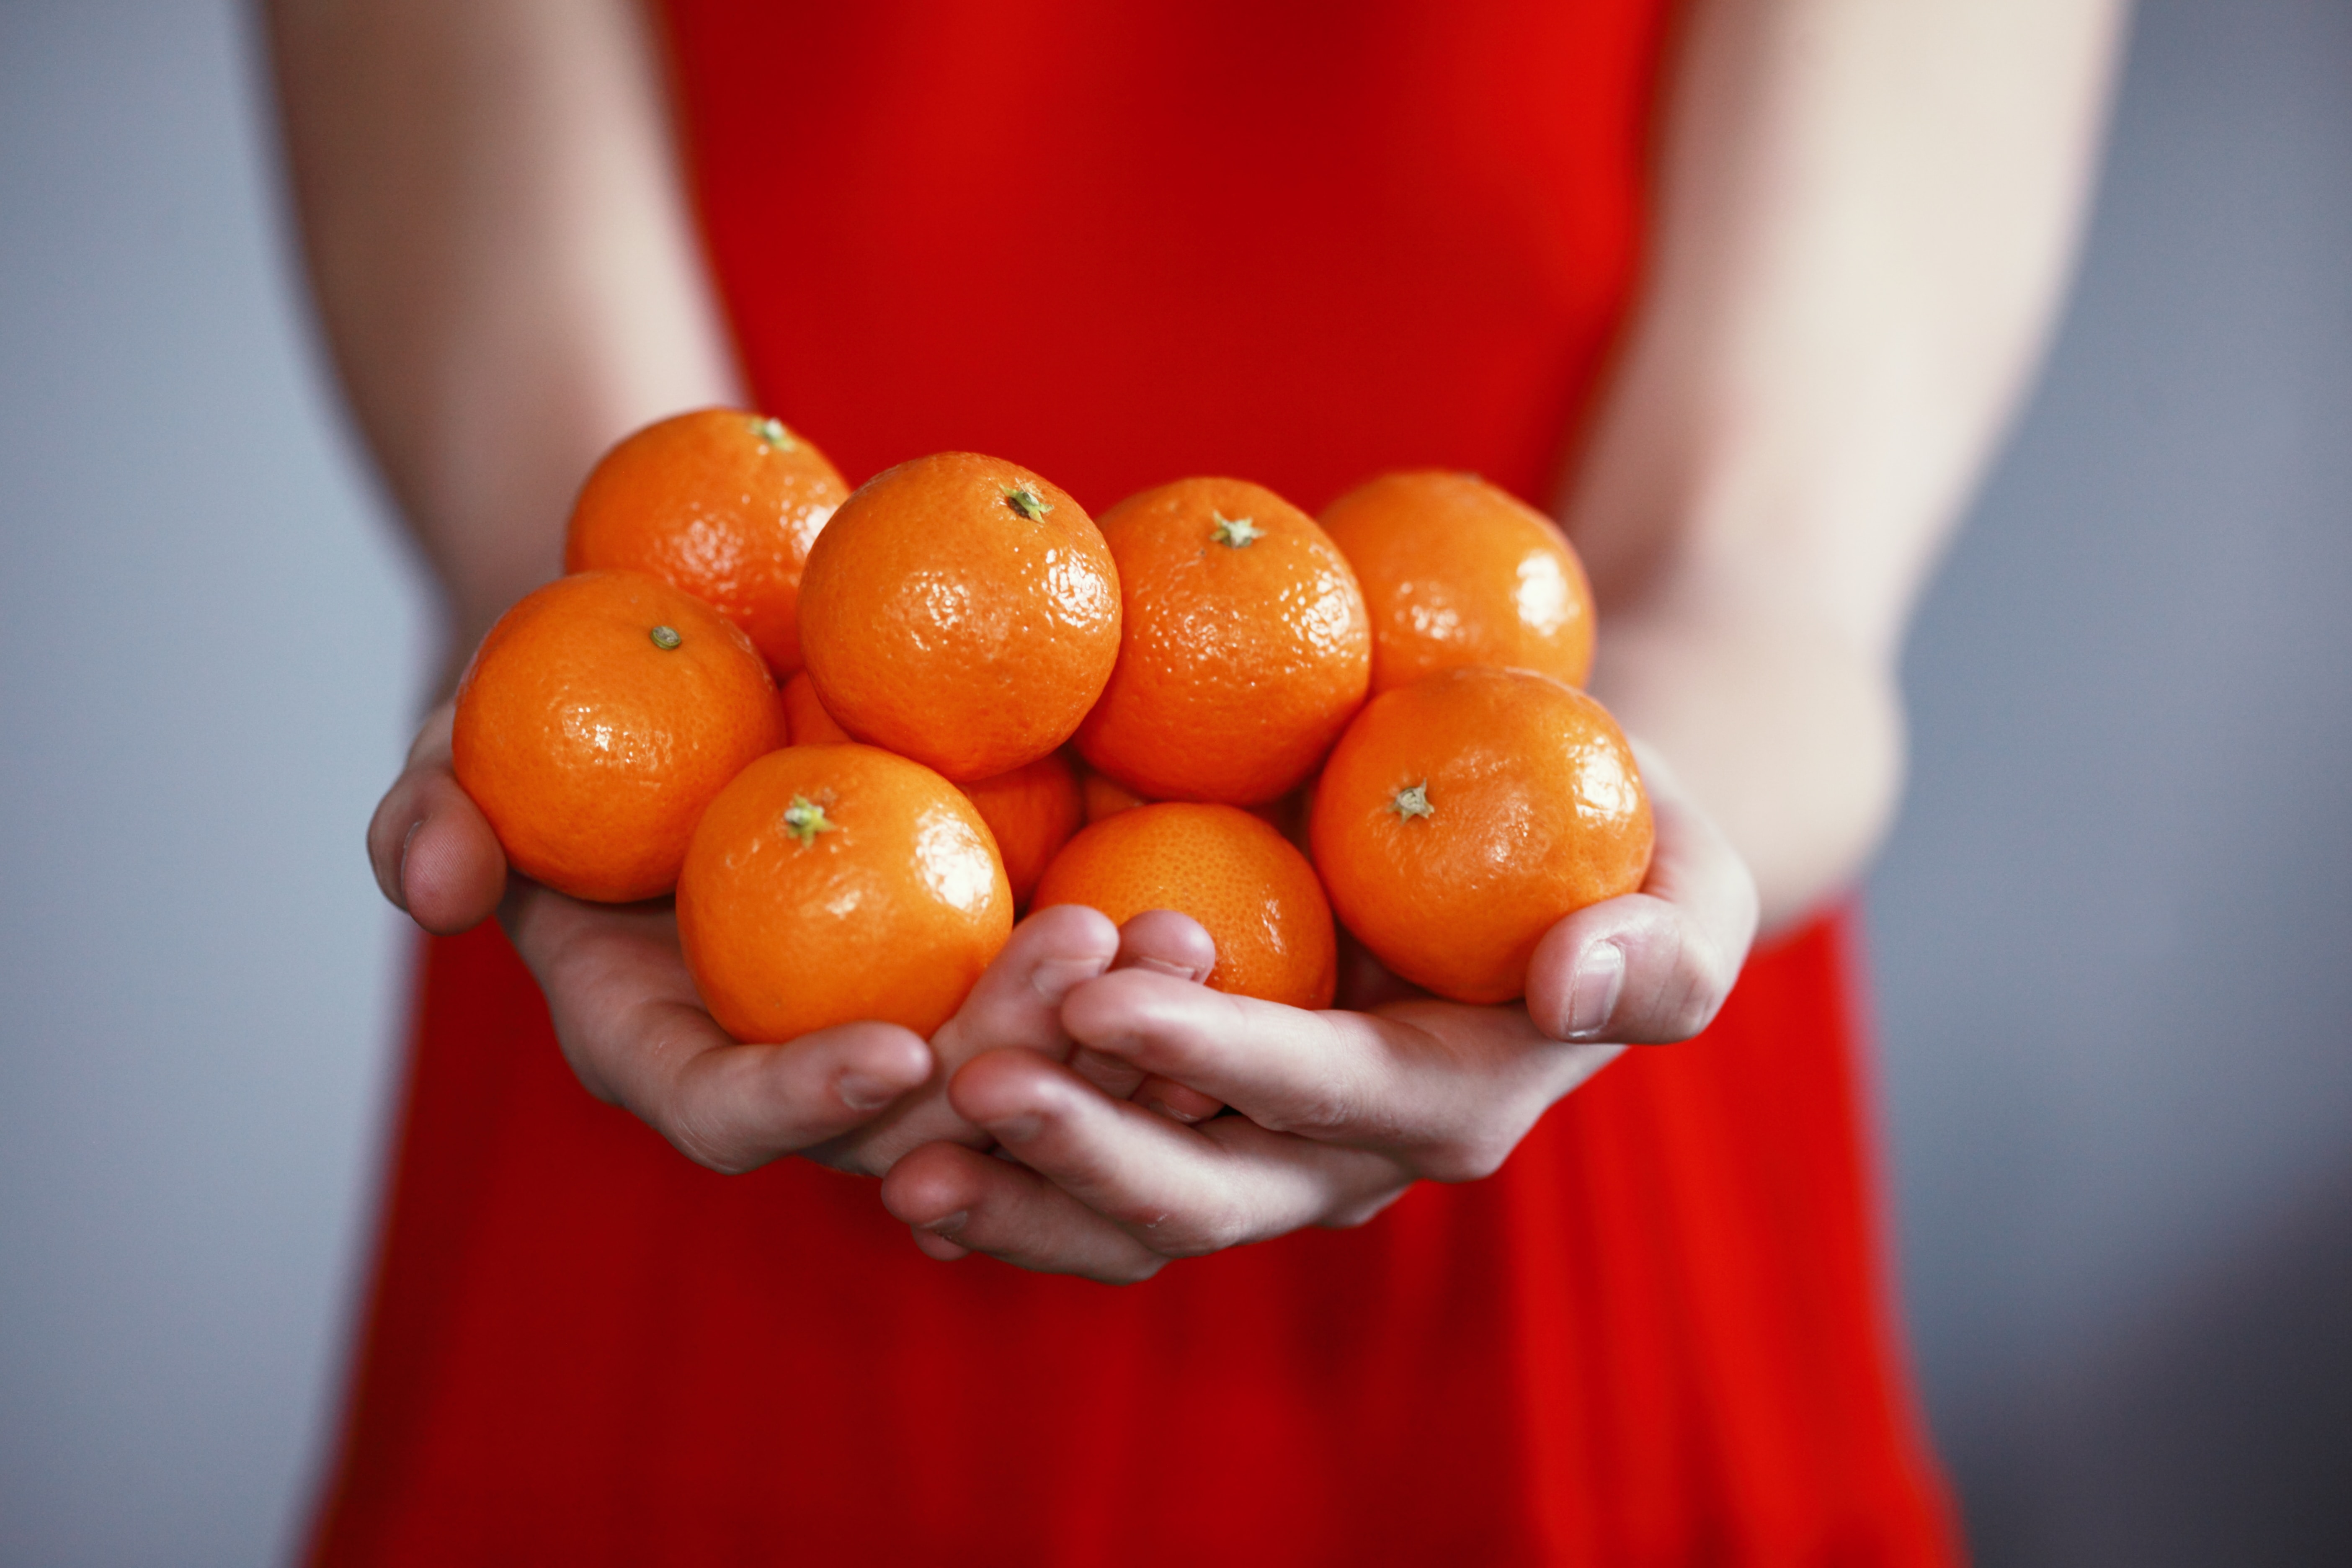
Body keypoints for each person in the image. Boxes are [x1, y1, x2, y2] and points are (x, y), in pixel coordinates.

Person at [271, 0, 2122, 1560]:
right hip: (729, 1004)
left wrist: (1621, 819)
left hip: (1528, 1074)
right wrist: (634, 765)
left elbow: (1759, 570)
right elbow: (621, 539)